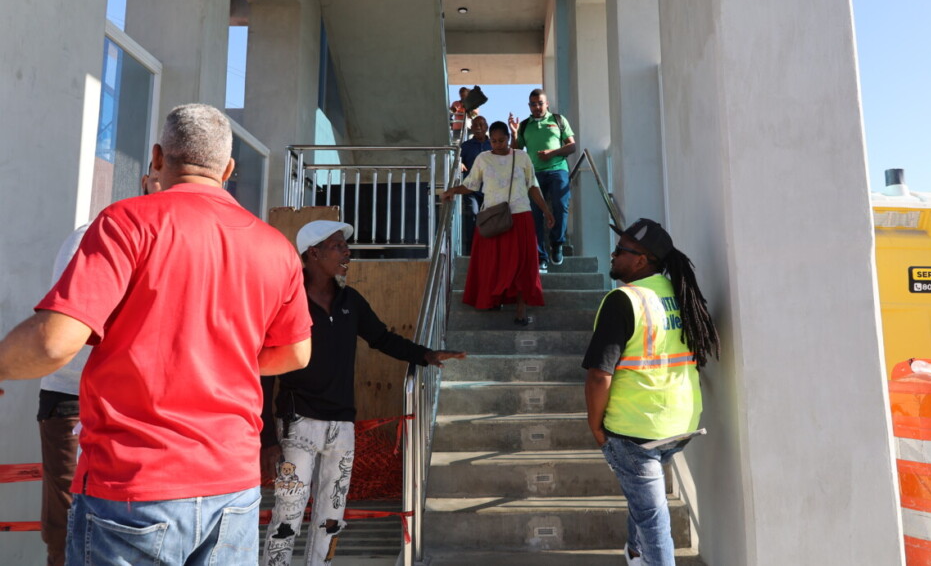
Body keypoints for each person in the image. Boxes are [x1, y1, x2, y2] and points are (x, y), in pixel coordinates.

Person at [0, 103, 313, 565]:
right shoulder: (275, 247)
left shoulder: (125, 223)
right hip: (233, 487)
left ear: (158, 158)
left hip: (133, 486)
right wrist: (219, 359)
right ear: (227, 169)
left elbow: (52, 343)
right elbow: (295, 352)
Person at [260, 220, 466, 566]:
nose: (347, 252)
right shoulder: (286, 301)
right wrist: (267, 436)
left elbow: (382, 338)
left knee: (331, 517)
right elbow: (266, 371)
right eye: (338, 246)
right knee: (288, 514)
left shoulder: (350, 301)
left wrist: (426, 355)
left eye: (345, 246)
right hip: (298, 427)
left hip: (342, 427)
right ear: (314, 253)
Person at [33, 165, 162, 566]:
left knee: (136, 525)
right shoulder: (98, 234)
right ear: (144, 182)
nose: (169, 190)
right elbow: (65, 331)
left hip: (139, 405)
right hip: (76, 398)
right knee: (71, 526)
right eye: (161, 178)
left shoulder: (171, 243)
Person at [582, 218, 720, 566]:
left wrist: (596, 427)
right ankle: (636, 554)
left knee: (652, 516)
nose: (613, 255)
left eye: (621, 250)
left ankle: (650, 557)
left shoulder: (623, 300)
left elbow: (600, 375)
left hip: (635, 430)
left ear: (641, 260)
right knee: (644, 499)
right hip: (679, 423)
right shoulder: (679, 294)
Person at [442, 121, 554, 326]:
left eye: (501, 140)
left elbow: (533, 186)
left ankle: (521, 307)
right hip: (493, 217)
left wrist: (546, 210)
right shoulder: (483, 158)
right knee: (491, 263)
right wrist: (452, 191)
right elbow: (471, 184)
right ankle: (493, 298)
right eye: (493, 141)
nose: (497, 144)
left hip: (520, 216)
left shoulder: (522, 156)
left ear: (508, 139)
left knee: (522, 264)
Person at [508, 88, 576, 273]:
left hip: (557, 171)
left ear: (547, 104)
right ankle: (541, 257)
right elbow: (515, 151)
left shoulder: (558, 120)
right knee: (534, 214)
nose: (536, 107)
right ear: (529, 106)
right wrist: (514, 133)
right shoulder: (524, 125)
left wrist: (553, 153)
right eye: (533, 104)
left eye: (540, 103)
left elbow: (572, 146)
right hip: (533, 174)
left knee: (561, 206)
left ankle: (557, 243)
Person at [459, 115, 492, 254]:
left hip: (491, 189)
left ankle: (488, 249)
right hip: (472, 189)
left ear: (486, 127)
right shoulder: (466, 146)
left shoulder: (493, 144)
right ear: (471, 128)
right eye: (475, 125)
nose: (478, 127)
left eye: (481, 124)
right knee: (473, 214)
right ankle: (472, 250)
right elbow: (456, 160)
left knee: (490, 219)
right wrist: (459, 163)